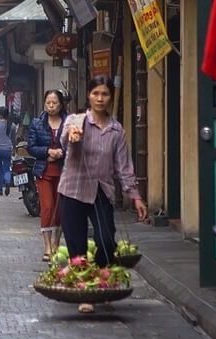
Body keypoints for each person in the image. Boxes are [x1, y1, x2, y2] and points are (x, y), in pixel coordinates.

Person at [60, 75, 149, 314]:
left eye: (105, 94)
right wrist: (72, 135)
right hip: (73, 190)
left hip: (101, 191)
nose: (100, 98)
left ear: (110, 97)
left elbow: (123, 166)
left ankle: (101, 281)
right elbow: (64, 142)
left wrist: (135, 196)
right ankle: (85, 295)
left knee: (106, 240)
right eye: (96, 93)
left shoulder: (116, 129)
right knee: (76, 247)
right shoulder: (76, 120)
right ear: (89, 96)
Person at [27, 90, 68, 261]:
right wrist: (47, 151)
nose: (51, 106)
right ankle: (47, 246)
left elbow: (76, 145)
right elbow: (31, 146)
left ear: (61, 104)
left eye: (55, 103)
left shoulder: (68, 123)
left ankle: (57, 244)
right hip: (44, 171)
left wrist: (61, 153)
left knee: (60, 210)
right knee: (47, 207)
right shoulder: (37, 123)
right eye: (48, 103)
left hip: (64, 172)